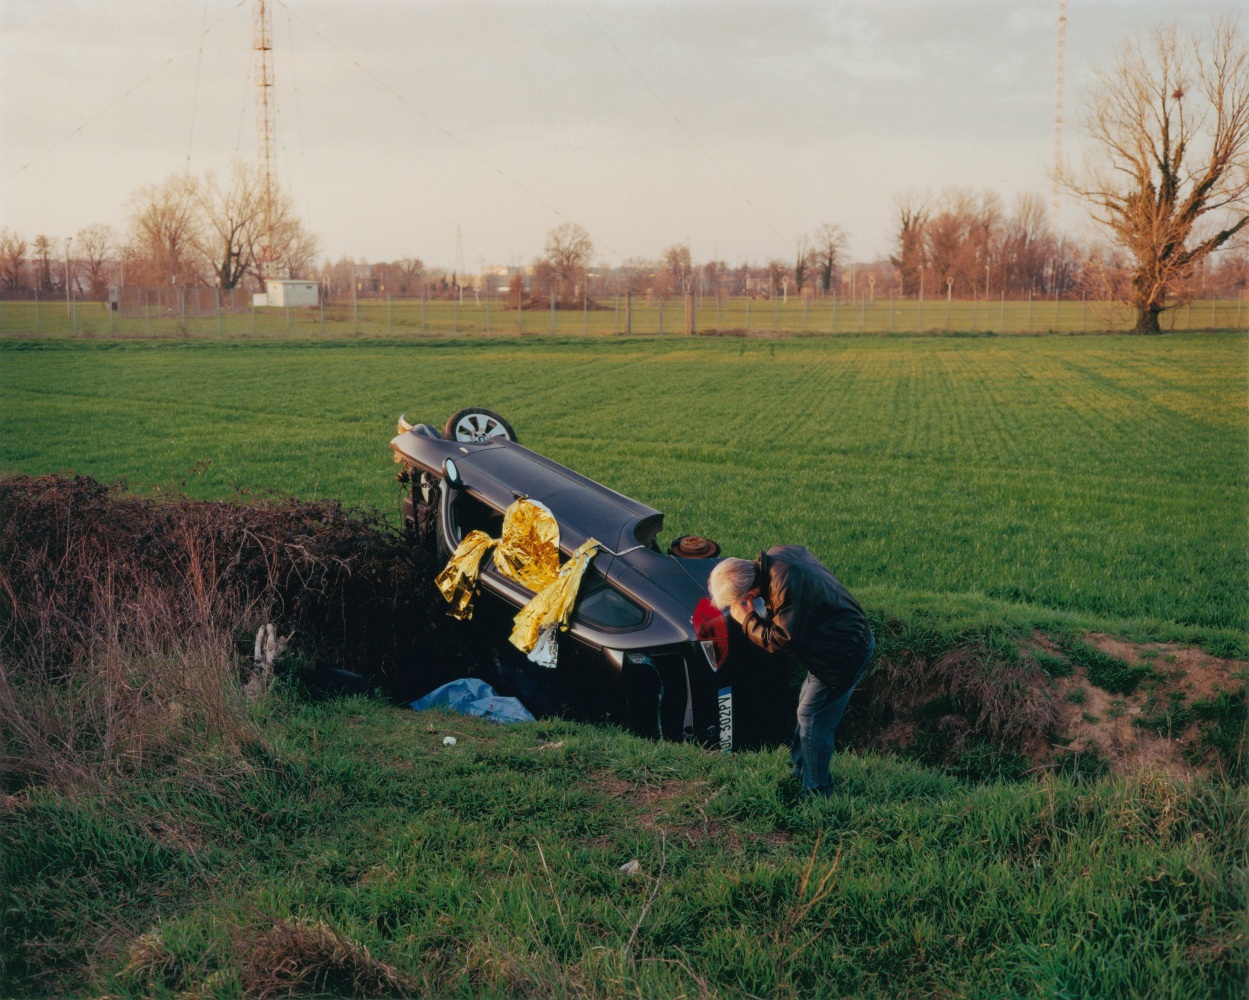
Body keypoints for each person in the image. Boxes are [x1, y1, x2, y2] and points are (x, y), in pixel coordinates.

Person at [708, 546, 874, 797]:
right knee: (806, 710)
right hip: (832, 642)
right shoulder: (777, 558)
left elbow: (781, 641)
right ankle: (802, 772)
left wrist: (748, 620)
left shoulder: (785, 587)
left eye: (737, 602)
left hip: (843, 652)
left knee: (813, 718)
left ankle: (818, 792)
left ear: (749, 594)